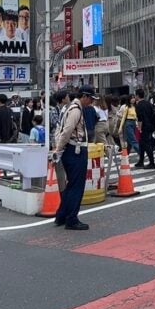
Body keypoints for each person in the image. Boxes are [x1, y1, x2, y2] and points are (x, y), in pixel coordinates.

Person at [52, 85, 95, 230]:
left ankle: (62, 215)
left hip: (70, 150)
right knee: (76, 186)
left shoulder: (70, 108)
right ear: (84, 96)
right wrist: (58, 149)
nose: (91, 102)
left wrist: (59, 149)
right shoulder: (76, 110)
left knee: (71, 185)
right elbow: (67, 131)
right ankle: (71, 218)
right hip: (75, 150)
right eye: (90, 98)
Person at [134, 89, 155, 169]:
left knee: (146, 144)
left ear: (137, 95)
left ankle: (152, 163)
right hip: (150, 125)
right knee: (142, 144)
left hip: (144, 127)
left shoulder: (139, 105)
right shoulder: (148, 103)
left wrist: (139, 128)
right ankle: (141, 161)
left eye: (135, 95)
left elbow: (140, 118)